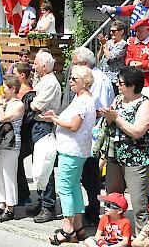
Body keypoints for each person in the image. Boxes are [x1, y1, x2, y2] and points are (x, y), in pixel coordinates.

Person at [41, 65, 96, 244]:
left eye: (74, 79)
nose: (71, 81)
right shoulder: (82, 98)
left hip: (72, 149)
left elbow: (74, 126)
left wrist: (55, 119)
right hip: (75, 149)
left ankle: (68, 228)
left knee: (64, 188)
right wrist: (57, 117)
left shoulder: (83, 100)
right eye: (70, 78)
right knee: (73, 187)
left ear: (85, 82)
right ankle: (78, 226)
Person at [98, 66, 149, 233]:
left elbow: (137, 132)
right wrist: (108, 118)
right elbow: (109, 127)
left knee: (139, 206)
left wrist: (116, 118)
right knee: (113, 200)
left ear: (132, 85)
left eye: (121, 82)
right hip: (114, 156)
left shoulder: (145, 104)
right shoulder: (117, 99)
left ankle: (141, 239)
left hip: (136, 159)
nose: (117, 85)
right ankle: (115, 236)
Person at [70, 48, 114, 226]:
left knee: (91, 176)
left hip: (92, 134)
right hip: (84, 134)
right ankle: (88, 210)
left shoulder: (99, 81)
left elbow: (100, 110)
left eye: (75, 64)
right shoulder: (88, 81)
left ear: (85, 64)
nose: (72, 69)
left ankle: (93, 213)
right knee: (86, 176)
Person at [28, 51, 62, 223]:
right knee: (38, 166)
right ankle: (41, 202)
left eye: (36, 64)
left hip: (45, 125)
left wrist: (30, 101)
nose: (33, 67)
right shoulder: (42, 80)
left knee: (45, 167)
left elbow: (36, 105)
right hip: (38, 125)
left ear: (44, 65)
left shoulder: (51, 83)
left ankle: (48, 207)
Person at [0, 75, 24, 223]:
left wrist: (1, 107)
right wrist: (0, 105)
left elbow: (3, 118)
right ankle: (1, 203)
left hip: (10, 143)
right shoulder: (3, 102)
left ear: (13, 89)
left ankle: (10, 207)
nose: (3, 90)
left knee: (8, 175)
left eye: (6, 87)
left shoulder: (18, 104)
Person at [125, 16, 149, 99]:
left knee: (148, 102)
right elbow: (128, 56)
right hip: (134, 80)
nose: (137, 34)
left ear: (148, 30)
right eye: (136, 31)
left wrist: (142, 64)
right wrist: (130, 62)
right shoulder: (132, 41)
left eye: (140, 31)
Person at [98, 20, 128, 95]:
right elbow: (99, 57)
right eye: (110, 31)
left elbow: (111, 58)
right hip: (104, 77)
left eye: (114, 31)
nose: (111, 33)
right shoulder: (108, 43)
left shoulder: (123, 44)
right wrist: (102, 45)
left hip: (115, 79)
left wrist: (104, 45)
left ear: (121, 31)